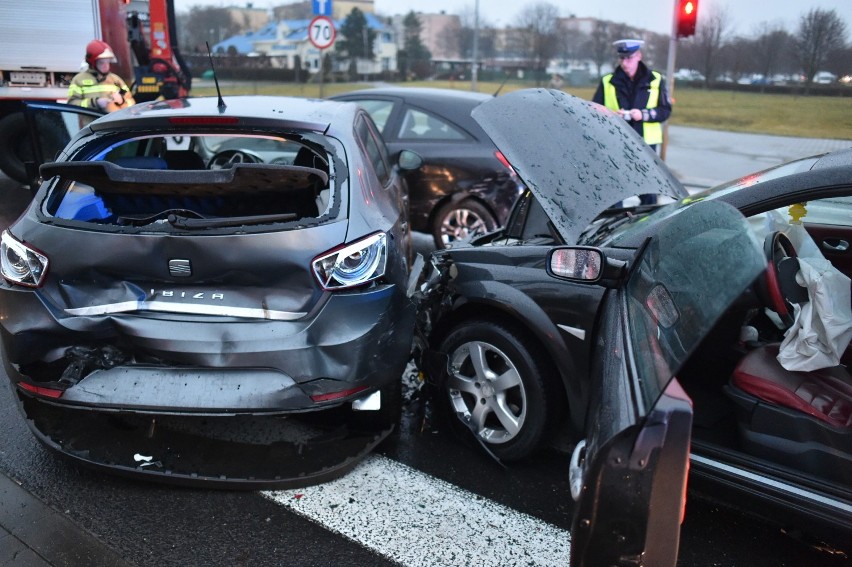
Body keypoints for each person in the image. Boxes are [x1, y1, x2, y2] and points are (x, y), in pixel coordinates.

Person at [593, 39, 671, 205]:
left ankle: (649, 227)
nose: (625, 62)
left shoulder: (655, 80)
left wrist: (643, 115)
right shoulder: (608, 81)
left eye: (629, 58)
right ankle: (613, 227)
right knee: (615, 190)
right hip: (616, 141)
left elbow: (665, 110)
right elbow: (594, 110)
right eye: (622, 58)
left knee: (648, 191)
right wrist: (612, 115)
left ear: (639, 56)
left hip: (645, 144)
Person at [67, 40, 135, 112]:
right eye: (101, 62)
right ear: (92, 63)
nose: (106, 66)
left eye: (108, 61)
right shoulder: (79, 80)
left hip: (113, 123)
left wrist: (122, 101)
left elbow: (132, 105)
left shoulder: (116, 80)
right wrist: (95, 102)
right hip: (91, 123)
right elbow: (72, 104)